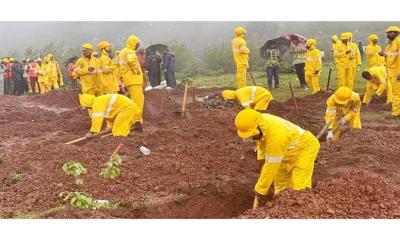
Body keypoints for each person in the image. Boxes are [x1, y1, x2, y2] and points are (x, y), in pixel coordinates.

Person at [234, 109, 320, 203]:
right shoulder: (261, 123)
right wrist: (261, 159)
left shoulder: (276, 136)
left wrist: (261, 189)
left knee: (299, 188)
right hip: (285, 151)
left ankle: (303, 208)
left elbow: (272, 165)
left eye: (252, 135)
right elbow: (262, 142)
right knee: (281, 187)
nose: (252, 138)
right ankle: (280, 208)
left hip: (304, 149)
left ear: (258, 127)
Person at [115, 35, 144, 122]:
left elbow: (117, 67)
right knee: (138, 101)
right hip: (134, 80)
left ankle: (132, 118)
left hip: (128, 80)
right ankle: (137, 120)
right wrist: (137, 71)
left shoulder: (122, 52)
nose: (138, 46)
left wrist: (120, 80)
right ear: (133, 43)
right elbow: (132, 62)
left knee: (133, 100)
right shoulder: (130, 51)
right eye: (137, 44)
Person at [381, 26, 400, 119]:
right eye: (387, 32)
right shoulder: (390, 44)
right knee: (394, 92)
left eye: (390, 32)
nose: (388, 34)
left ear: (396, 33)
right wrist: (383, 54)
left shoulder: (398, 42)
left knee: (396, 93)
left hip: (397, 71)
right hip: (391, 71)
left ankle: (395, 114)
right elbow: (390, 56)